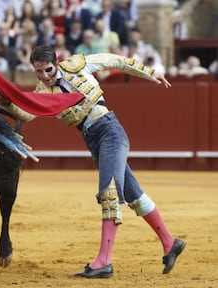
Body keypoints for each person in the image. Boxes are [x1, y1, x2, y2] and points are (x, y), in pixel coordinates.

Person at [22, 45, 186, 278]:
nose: (44, 76)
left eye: (47, 70)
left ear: (56, 64)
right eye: (38, 72)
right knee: (134, 195)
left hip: (109, 131)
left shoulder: (77, 65)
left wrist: (150, 72)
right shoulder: (41, 91)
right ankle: (170, 243)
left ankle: (104, 262)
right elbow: (27, 112)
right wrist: (5, 101)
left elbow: (114, 61)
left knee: (109, 193)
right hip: (94, 141)